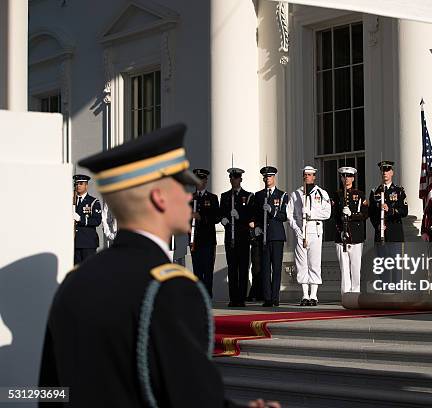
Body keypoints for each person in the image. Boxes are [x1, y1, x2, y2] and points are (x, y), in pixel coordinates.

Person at [40, 124, 268, 407]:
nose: (190, 197)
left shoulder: (74, 281)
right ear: (159, 198)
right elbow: (191, 399)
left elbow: (48, 394)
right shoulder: (171, 288)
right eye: (183, 188)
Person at [286, 166, 331, 306]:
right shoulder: (296, 194)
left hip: (315, 230)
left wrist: (312, 213)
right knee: (302, 264)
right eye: (305, 175)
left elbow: (327, 213)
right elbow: (290, 214)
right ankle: (305, 295)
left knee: (314, 263)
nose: (307, 177)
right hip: (301, 231)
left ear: (314, 176)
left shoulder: (322, 193)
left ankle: (314, 295)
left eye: (310, 175)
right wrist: (296, 228)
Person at [253, 166, 289, 307]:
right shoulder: (259, 195)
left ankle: (275, 297)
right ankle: (267, 298)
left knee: (277, 268)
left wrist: (273, 211)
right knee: (265, 268)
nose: (267, 179)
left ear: (274, 177)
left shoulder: (282, 195)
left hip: (277, 235)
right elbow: (256, 214)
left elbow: (284, 216)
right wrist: (256, 227)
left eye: (270, 176)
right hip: (264, 236)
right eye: (265, 177)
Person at [368, 160, 408, 285]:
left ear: (392, 172)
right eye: (382, 170)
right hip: (381, 234)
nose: (384, 173)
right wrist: (378, 225)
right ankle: (385, 292)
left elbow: (404, 211)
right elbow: (372, 213)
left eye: (387, 170)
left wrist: (389, 209)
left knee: (396, 265)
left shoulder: (399, 191)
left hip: (395, 232)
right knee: (383, 265)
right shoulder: (375, 192)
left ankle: (396, 293)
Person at [219, 167, 254, 307]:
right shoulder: (225, 196)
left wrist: (240, 216)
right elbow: (221, 212)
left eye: (236, 178)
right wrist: (224, 218)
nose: (233, 180)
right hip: (230, 238)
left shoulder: (248, 195)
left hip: (243, 237)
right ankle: (233, 298)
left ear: (240, 179)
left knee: (243, 268)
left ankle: (241, 298)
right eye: (232, 178)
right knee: (232, 268)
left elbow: (251, 215)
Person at [330, 166, 368, 294]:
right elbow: (333, 215)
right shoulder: (337, 195)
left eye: (349, 176)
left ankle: (356, 292)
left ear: (353, 178)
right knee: (344, 268)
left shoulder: (359, 194)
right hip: (341, 235)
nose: (346, 179)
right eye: (344, 176)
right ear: (341, 178)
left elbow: (365, 214)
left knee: (356, 266)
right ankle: (345, 293)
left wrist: (352, 214)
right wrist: (340, 229)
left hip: (356, 235)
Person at [190, 168, 219, 298]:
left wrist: (201, 217)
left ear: (205, 181)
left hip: (208, 240)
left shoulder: (212, 198)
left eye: (201, 179)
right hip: (194, 240)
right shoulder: (190, 198)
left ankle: (207, 295)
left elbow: (216, 218)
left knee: (207, 270)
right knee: (197, 269)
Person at [72, 174, 102, 265]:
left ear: (86, 185)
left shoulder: (93, 202)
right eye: (76, 184)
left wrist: (80, 219)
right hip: (74, 242)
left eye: (81, 183)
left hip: (88, 242)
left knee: (89, 268)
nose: (78, 186)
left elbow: (97, 221)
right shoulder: (71, 200)